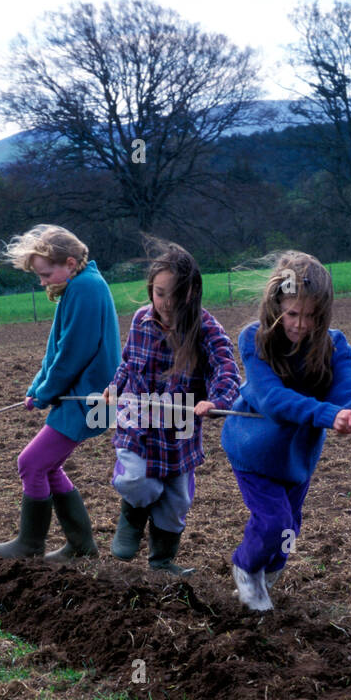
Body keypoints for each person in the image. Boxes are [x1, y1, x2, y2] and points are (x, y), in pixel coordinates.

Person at [221, 251, 351, 611]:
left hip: (297, 459)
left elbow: (348, 384)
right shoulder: (254, 340)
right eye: (293, 313)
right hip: (253, 451)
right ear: (276, 304)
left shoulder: (333, 343)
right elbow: (273, 400)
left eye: (311, 316)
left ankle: (267, 574)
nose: (301, 324)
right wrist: (327, 414)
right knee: (274, 521)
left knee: (290, 528)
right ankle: (246, 567)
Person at [105, 240, 240, 575]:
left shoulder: (206, 328)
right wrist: (114, 388)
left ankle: (162, 561)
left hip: (180, 432)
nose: (165, 303)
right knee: (139, 481)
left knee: (176, 502)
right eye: (159, 293)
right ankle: (132, 519)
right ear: (151, 290)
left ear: (192, 292)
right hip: (136, 423)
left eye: (174, 294)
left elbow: (226, 368)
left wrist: (218, 400)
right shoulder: (140, 321)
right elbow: (127, 364)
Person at [0, 225, 121, 561]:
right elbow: (57, 350)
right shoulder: (80, 285)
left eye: (46, 274)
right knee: (46, 467)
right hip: (77, 394)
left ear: (70, 261)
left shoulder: (86, 289)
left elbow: (73, 353)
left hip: (87, 397)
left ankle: (30, 544)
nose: (43, 281)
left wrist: (47, 391)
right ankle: (81, 547)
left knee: (30, 463)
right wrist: (38, 388)